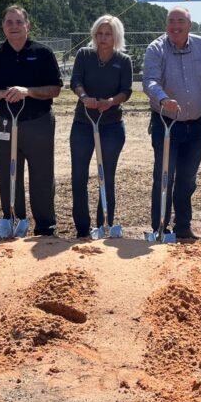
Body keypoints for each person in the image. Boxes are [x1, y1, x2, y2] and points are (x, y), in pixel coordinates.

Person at [0, 6, 62, 236]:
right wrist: (2, 94)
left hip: (38, 122)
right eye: (9, 22)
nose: (14, 26)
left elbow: (55, 89)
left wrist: (27, 91)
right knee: (8, 172)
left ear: (27, 25)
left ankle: (44, 224)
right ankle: (13, 218)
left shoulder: (43, 53)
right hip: (5, 122)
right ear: (3, 26)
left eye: (18, 22)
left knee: (42, 174)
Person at [142, 6, 201, 240]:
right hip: (166, 125)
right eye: (171, 21)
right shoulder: (156, 48)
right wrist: (163, 99)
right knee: (164, 176)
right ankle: (160, 227)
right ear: (166, 24)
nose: (175, 26)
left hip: (195, 126)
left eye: (180, 21)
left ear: (190, 24)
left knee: (187, 178)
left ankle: (183, 226)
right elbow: (150, 81)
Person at [69, 15, 133, 238]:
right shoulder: (84, 55)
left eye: (108, 34)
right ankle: (82, 228)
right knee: (78, 176)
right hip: (83, 124)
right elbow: (75, 81)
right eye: (100, 34)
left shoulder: (123, 60)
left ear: (116, 36)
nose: (103, 38)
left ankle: (103, 224)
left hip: (111, 125)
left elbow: (126, 91)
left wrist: (111, 101)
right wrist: (85, 97)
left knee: (106, 176)